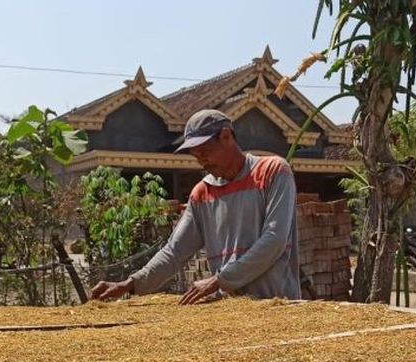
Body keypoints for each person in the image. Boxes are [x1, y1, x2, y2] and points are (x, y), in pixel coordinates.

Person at [89, 109, 300, 305]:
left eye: (205, 152)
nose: (202, 162)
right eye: (196, 156)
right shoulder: (202, 193)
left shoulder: (272, 171)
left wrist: (219, 280)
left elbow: (274, 239)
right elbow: (175, 251)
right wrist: (129, 284)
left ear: (226, 136)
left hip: (276, 304)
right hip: (231, 309)